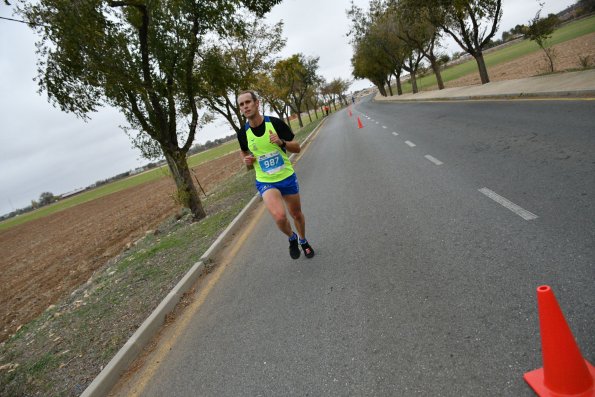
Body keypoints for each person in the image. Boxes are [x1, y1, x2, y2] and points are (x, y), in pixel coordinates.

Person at [236, 90, 315, 259]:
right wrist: (246, 161)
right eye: (241, 104)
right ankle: (291, 238)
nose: (245, 106)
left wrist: (281, 142)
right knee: (279, 217)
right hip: (265, 180)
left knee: (296, 214)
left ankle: (303, 240)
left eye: (248, 102)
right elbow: (243, 153)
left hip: (286, 176)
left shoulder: (275, 124)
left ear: (257, 103)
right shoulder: (243, 133)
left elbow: (297, 147)